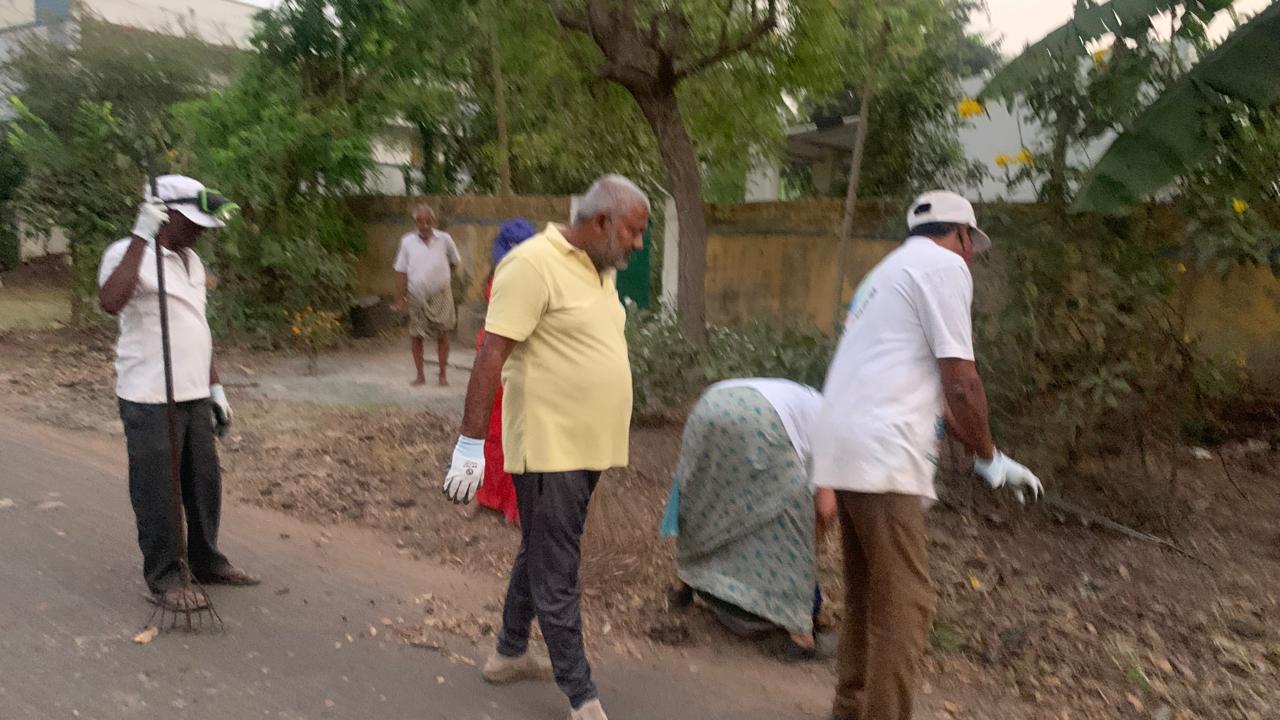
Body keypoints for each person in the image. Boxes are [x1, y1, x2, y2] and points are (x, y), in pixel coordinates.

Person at [809, 190, 1043, 720]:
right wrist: (990, 455)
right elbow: (961, 382)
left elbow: (930, 388)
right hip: (883, 453)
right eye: (970, 243)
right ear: (960, 235)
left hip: (842, 444)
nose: (970, 255)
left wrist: (985, 456)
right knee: (907, 604)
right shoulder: (943, 267)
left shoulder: (885, 273)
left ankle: (850, 707)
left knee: (868, 593)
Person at [442, 175, 650, 720]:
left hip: (587, 448)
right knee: (557, 567)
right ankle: (581, 695)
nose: (638, 243)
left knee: (541, 549)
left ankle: (509, 653)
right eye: (633, 231)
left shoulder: (600, 270)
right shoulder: (531, 264)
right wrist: (470, 444)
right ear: (601, 221)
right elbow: (491, 353)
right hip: (549, 448)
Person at [97, 174, 260, 612]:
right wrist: (139, 236)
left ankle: (206, 560)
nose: (200, 232)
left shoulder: (192, 262)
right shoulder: (127, 253)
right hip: (150, 395)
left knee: (204, 484)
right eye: (192, 223)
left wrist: (216, 387)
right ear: (165, 214)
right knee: (158, 490)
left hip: (193, 392)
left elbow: (197, 328)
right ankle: (165, 576)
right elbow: (110, 301)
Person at [660, 378, 836, 660]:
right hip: (763, 420)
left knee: (706, 500)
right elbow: (825, 510)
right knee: (794, 521)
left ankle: (682, 588)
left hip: (710, 404)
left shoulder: (810, 401)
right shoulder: (840, 432)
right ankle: (801, 637)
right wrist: (809, 552)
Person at [469, 218, 538, 525]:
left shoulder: (539, 281)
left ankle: (515, 505)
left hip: (519, 361)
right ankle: (487, 497)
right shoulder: (496, 275)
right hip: (492, 358)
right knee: (491, 430)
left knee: (517, 433)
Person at [391, 204, 460, 387]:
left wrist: (441, 277)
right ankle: (420, 375)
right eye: (420, 222)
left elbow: (454, 261)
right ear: (415, 222)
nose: (424, 225)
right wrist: (401, 298)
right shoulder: (407, 241)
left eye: (428, 221)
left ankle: (443, 375)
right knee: (416, 335)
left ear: (433, 221)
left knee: (443, 334)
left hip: (441, 295)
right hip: (416, 295)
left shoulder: (445, 239)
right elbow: (401, 270)